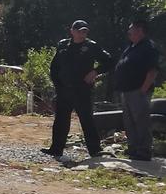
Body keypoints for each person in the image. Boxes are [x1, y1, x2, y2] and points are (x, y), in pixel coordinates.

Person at [42, 20, 112, 158]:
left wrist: (95, 72)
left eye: (85, 31)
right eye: (79, 31)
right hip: (64, 89)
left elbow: (109, 61)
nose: (82, 34)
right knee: (61, 120)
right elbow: (54, 67)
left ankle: (95, 150)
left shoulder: (91, 46)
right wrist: (57, 84)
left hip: (82, 90)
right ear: (72, 31)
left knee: (87, 120)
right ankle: (56, 149)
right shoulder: (63, 45)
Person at [114, 20, 160, 161]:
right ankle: (133, 148)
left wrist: (143, 89)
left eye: (131, 29)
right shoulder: (132, 47)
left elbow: (153, 70)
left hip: (138, 90)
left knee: (141, 121)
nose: (129, 32)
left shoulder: (148, 47)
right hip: (127, 90)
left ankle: (144, 150)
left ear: (140, 30)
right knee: (129, 121)